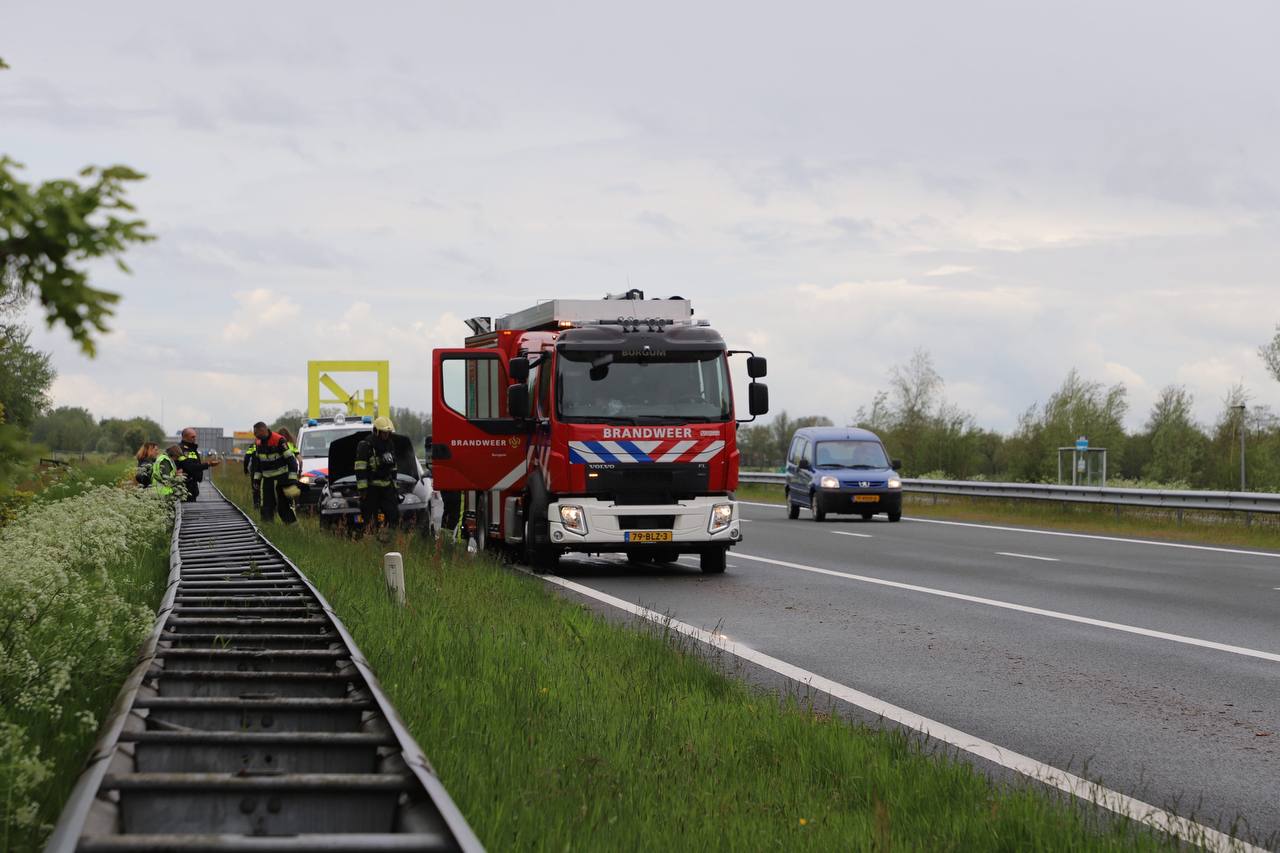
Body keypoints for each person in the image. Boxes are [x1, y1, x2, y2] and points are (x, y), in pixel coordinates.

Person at [355, 416, 400, 533]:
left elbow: (393, 467)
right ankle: (371, 541)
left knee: (394, 515)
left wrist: (395, 487)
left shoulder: (390, 444)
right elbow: (360, 468)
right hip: (371, 488)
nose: (386, 435)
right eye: (384, 433)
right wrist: (363, 490)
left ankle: (389, 539)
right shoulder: (365, 445)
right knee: (369, 518)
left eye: (388, 433)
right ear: (376, 431)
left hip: (387, 486)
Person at [252, 421, 299, 524]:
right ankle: (267, 527)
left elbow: (292, 461)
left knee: (283, 506)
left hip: (282, 478)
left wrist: (292, 480)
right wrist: (256, 480)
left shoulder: (279, 440)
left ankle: (292, 528)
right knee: (267, 505)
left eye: (256, 433)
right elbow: (259, 465)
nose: (255, 435)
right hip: (267, 479)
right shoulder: (258, 442)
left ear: (263, 430)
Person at [176, 427, 220, 502]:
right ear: (185, 437)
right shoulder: (181, 450)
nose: (195, 438)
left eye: (195, 436)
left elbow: (195, 464)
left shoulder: (192, 449)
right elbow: (190, 467)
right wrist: (208, 464)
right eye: (192, 437)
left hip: (192, 486)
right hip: (184, 486)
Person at [242, 442, 260, 508]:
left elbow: (246, 458)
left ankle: (256, 504)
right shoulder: (269, 444)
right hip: (266, 472)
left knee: (255, 488)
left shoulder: (253, 446)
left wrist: (245, 470)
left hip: (255, 471)